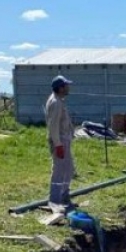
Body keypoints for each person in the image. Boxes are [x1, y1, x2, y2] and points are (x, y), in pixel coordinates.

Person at [44, 75, 76, 212]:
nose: (68, 88)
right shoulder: (56, 103)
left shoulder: (59, 100)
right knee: (59, 170)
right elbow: (53, 126)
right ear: (60, 88)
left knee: (68, 169)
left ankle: (64, 196)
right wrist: (58, 145)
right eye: (66, 85)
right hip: (60, 141)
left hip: (64, 140)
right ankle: (55, 200)